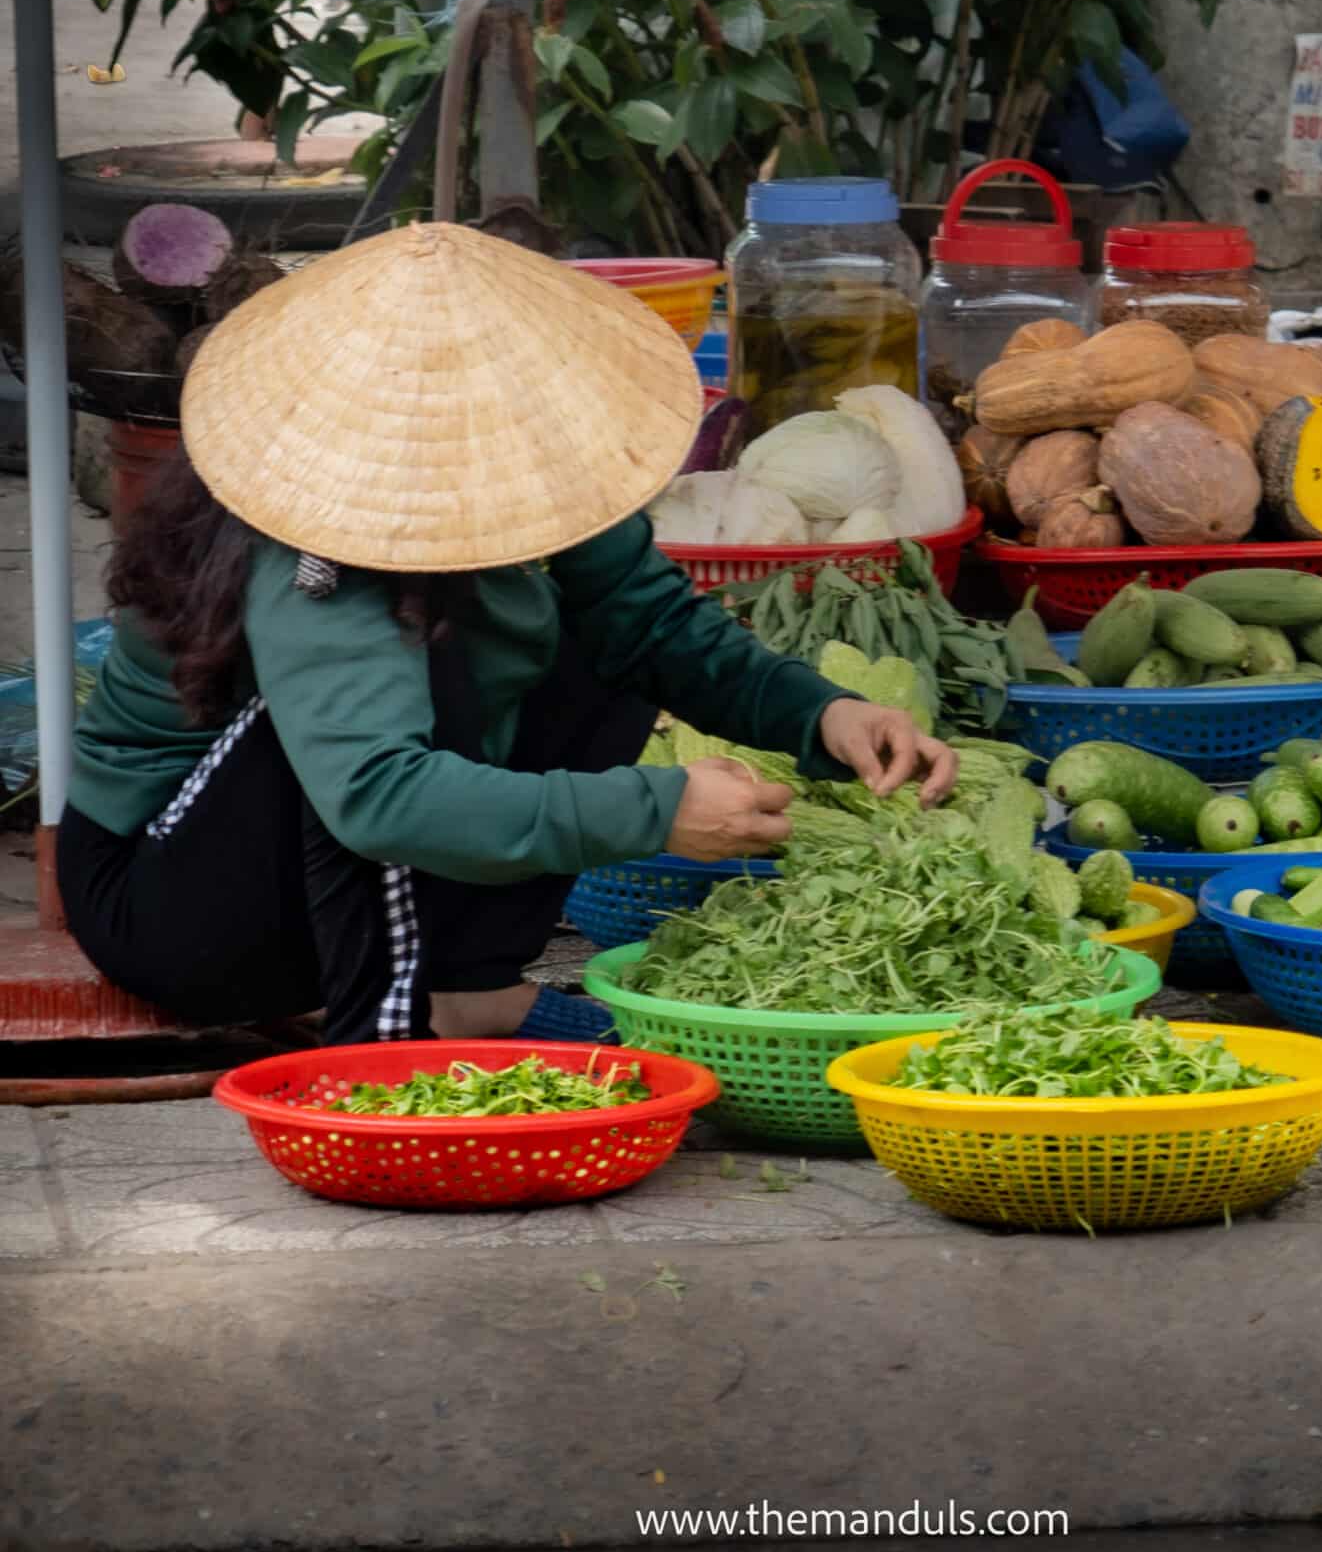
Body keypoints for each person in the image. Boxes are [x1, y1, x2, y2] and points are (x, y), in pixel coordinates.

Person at [59, 223, 955, 1046]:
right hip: (180, 906)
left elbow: (656, 626)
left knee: (600, 636)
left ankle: (468, 987)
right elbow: (373, 794)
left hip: (306, 870)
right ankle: (389, 1015)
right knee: (396, 688)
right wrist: (654, 811)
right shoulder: (312, 542)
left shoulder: (541, 469)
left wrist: (823, 715)